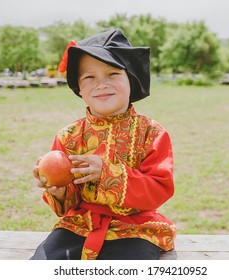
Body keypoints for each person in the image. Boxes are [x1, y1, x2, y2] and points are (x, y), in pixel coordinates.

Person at [30, 29, 176, 260]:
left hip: (135, 229)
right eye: (89, 77)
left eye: (112, 73)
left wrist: (106, 173)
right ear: (79, 88)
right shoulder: (68, 136)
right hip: (77, 226)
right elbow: (70, 203)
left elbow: (159, 189)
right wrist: (58, 191)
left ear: (132, 79)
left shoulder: (151, 133)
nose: (101, 84)